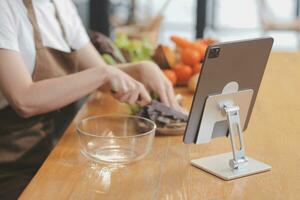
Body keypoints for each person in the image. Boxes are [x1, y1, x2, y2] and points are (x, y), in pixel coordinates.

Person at [0, 0, 181, 198]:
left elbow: (100, 77)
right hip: (10, 164)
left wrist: (141, 68)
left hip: (47, 149)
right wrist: (104, 74)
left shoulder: (60, 5)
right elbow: (24, 100)